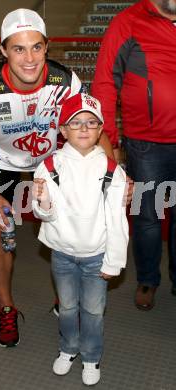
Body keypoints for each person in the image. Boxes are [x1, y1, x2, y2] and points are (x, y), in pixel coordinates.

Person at [0, 8, 115, 348]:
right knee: (0, 227)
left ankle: (67, 297)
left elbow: (91, 123)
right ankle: (6, 309)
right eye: (18, 48)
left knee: (73, 220)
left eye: (36, 47)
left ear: (47, 47)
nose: (29, 58)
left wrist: (114, 173)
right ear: (3, 50)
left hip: (49, 155)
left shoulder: (65, 79)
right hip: (0, 159)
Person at [32, 93, 128, 386]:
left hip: (97, 255)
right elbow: (44, 214)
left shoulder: (112, 170)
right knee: (69, 307)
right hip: (61, 254)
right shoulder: (49, 167)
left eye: (91, 122)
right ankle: (68, 348)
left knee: (93, 310)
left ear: (100, 130)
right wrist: (43, 201)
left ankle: (90, 355)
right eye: (75, 123)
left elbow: (117, 220)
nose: (84, 128)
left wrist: (114, 261)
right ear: (63, 131)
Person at [91, 0, 176, 311]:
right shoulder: (128, 22)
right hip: (146, 144)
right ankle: (148, 280)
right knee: (148, 218)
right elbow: (104, 83)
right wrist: (108, 142)